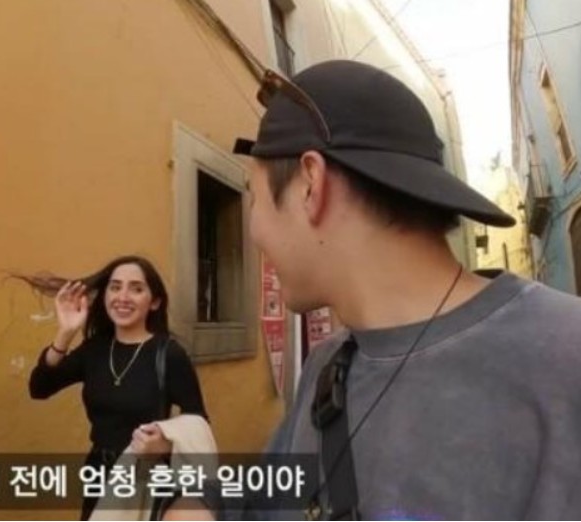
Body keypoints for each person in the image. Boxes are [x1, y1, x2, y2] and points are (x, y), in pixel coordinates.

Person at [170, 59, 581, 520]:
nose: (253, 231)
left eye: (253, 197)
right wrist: (196, 503)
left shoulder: (565, 360)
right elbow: (262, 496)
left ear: (310, 185)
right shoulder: (327, 366)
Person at [15, 255, 209, 520]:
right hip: (99, 474)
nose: (123, 297)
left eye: (136, 289)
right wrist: (65, 333)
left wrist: (164, 444)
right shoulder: (95, 350)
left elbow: (198, 421)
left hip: (145, 479)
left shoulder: (169, 354)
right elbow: (39, 388)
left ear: (154, 302)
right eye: (115, 287)